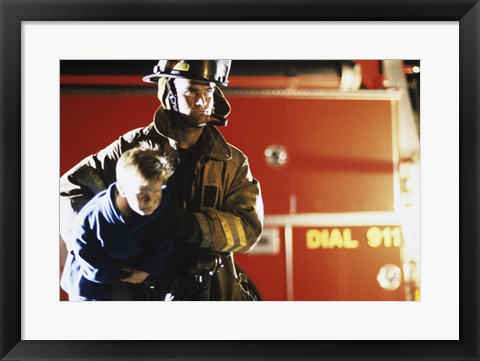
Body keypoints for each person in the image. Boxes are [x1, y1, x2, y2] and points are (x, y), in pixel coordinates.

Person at [60, 60, 264, 300]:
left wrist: (191, 226)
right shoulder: (129, 150)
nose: (202, 101)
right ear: (169, 92)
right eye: (191, 90)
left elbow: (248, 230)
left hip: (204, 291)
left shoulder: (232, 163)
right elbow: (68, 189)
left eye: (208, 91)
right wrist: (109, 241)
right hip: (139, 290)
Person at [60, 144, 175, 301]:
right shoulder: (91, 219)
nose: (152, 201)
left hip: (136, 279)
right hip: (91, 287)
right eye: (142, 194)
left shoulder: (163, 203)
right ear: (123, 189)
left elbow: (165, 237)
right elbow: (88, 258)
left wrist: (147, 268)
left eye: (157, 191)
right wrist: (122, 274)